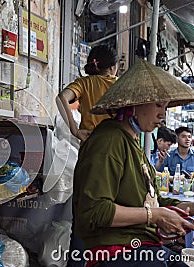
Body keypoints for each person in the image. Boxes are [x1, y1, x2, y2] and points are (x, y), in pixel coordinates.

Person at [72, 59, 194, 266]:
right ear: (135, 103)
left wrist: (187, 208)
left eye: (164, 107)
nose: (162, 115)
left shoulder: (131, 141)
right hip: (115, 251)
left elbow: (152, 203)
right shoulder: (109, 140)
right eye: (158, 105)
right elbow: (95, 211)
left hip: (143, 246)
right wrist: (153, 216)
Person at [56, 44, 118, 144]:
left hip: (89, 144)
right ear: (112, 67)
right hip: (114, 145)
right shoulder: (120, 84)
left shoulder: (84, 83)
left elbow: (61, 98)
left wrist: (75, 131)